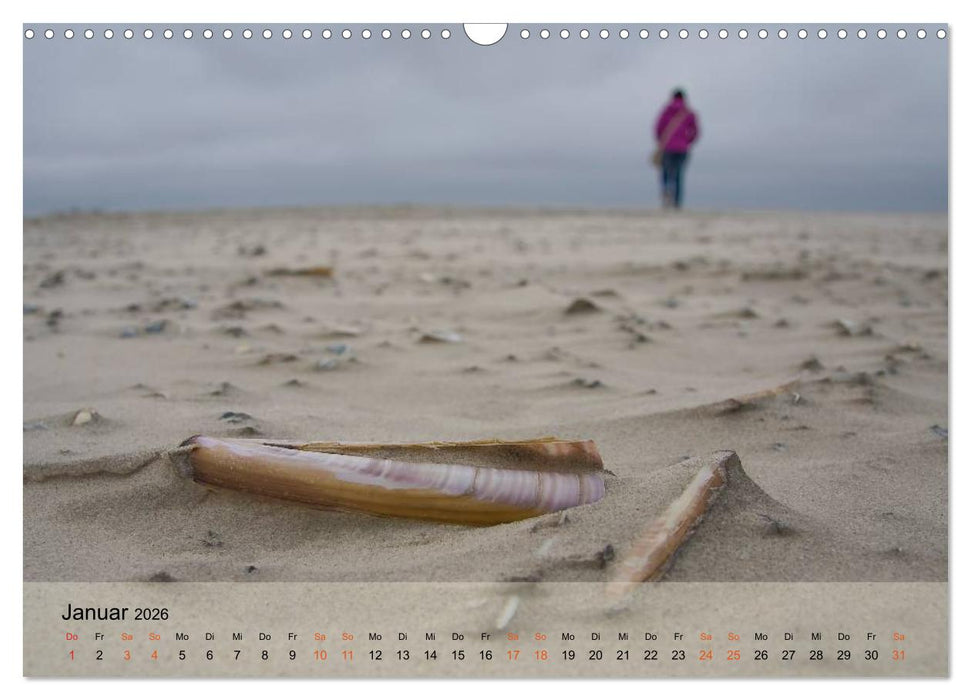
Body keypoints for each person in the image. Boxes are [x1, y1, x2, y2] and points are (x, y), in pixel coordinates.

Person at [654, 88, 700, 209]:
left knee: (667, 173)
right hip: (682, 148)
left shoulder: (666, 111)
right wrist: (688, 141)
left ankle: (667, 194)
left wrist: (661, 141)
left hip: (667, 147)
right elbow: (695, 131)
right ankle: (677, 202)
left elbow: (658, 128)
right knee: (679, 174)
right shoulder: (689, 113)